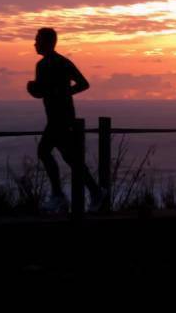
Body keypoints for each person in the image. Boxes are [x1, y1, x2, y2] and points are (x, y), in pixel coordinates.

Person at [27, 27, 106, 213]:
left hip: (63, 117)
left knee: (44, 151)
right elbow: (44, 91)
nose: (35, 43)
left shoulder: (62, 63)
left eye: (38, 40)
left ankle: (59, 195)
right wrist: (36, 90)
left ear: (48, 42)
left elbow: (84, 84)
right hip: (53, 116)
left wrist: (63, 92)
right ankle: (95, 192)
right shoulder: (41, 65)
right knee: (71, 159)